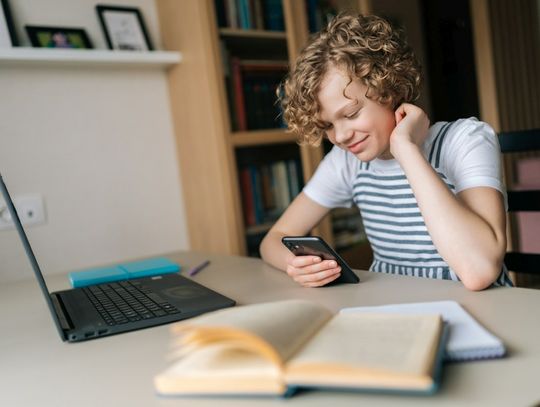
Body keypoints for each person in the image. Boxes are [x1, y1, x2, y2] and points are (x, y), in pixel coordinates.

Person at [259, 13, 513, 290]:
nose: (341, 136)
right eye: (328, 125)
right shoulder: (347, 163)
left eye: (352, 113)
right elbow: (273, 240)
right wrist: (295, 265)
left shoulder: (465, 140)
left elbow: (479, 271)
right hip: (395, 314)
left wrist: (406, 149)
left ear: (388, 89)